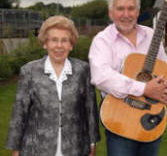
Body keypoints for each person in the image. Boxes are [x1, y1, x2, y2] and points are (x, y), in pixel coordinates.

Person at [88, 0, 167, 156]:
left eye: (131, 8)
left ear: (138, 11)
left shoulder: (151, 35)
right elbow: (102, 77)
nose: (126, 14)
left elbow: (165, 66)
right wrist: (144, 88)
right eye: (120, 9)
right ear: (111, 13)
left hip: (151, 116)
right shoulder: (102, 41)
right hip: (119, 118)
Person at [6, 16, 100, 156]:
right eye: (54, 40)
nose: (59, 46)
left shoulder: (83, 70)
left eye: (64, 40)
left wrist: (92, 143)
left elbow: (90, 110)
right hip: (36, 148)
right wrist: (15, 148)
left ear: (71, 44)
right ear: (45, 43)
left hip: (75, 148)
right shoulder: (29, 71)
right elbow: (19, 113)